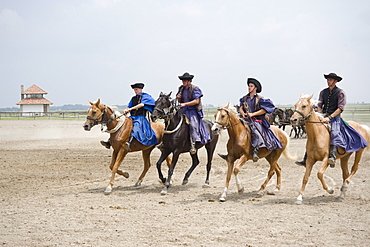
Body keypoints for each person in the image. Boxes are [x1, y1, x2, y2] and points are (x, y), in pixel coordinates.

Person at [295, 72, 368, 167]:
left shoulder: (340, 93)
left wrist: (329, 118)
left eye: (330, 80)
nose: (328, 81)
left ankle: (332, 157)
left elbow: (340, 108)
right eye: (327, 80)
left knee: (335, 132)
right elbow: (320, 106)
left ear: (335, 81)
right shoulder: (323, 92)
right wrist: (320, 115)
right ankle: (306, 158)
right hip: (324, 116)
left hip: (335, 118)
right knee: (313, 133)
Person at [100, 82, 158, 151]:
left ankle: (129, 143)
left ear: (140, 89)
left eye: (136, 89)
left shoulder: (145, 96)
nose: (135, 91)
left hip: (140, 118)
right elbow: (129, 106)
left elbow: (142, 105)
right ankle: (109, 141)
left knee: (135, 128)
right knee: (120, 126)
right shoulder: (133, 98)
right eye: (134, 90)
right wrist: (126, 109)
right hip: (132, 117)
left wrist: (131, 109)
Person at [238, 78, 283, 162]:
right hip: (246, 120)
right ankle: (232, 151)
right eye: (249, 86)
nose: (249, 88)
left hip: (257, 120)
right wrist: (242, 113)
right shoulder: (244, 98)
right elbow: (241, 107)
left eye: (251, 86)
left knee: (255, 130)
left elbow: (264, 110)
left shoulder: (260, 99)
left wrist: (253, 114)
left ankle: (255, 150)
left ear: (255, 88)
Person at [176, 72, 210, 154]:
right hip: (183, 110)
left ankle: (193, 143)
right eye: (182, 80)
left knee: (193, 124)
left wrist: (185, 104)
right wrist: (178, 98)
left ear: (189, 81)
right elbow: (179, 100)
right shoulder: (181, 89)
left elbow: (196, 101)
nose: (183, 82)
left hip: (192, 111)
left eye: (185, 80)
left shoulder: (195, 89)